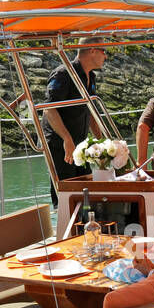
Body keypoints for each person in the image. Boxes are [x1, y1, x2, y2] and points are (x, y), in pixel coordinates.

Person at [42, 43, 107, 201]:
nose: (106, 56)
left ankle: (85, 223)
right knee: (66, 192)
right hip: (60, 144)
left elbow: (90, 110)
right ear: (92, 50)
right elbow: (49, 109)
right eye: (104, 51)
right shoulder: (63, 74)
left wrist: (101, 141)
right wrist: (67, 139)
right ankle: (66, 224)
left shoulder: (91, 77)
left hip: (81, 143)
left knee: (85, 190)